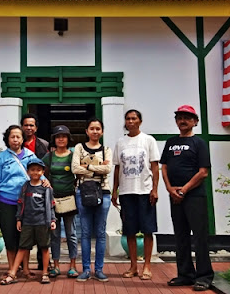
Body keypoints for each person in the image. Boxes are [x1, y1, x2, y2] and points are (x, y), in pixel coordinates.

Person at [160, 105, 213, 292]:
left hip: (194, 196)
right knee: (180, 236)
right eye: (179, 117)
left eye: (187, 118)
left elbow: (203, 172)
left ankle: (204, 276)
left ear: (195, 122)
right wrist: (169, 188)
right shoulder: (170, 142)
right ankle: (185, 274)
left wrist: (184, 190)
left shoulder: (199, 143)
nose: (183, 121)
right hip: (174, 196)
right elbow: (164, 167)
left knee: (199, 237)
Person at [0, 125, 45, 280]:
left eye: (18, 136)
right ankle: (11, 268)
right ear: (7, 139)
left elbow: (37, 172)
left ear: (23, 139)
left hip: (26, 202)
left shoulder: (30, 155)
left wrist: (45, 182)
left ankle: (26, 269)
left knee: (24, 237)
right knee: (9, 237)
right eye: (12, 136)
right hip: (5, 201)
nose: (15, 139)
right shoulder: (1, 157)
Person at [112, 109, 160, 281]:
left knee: (147, 229)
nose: (130, 121)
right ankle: (133, 266)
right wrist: (115, 190)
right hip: (126, 192)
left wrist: (155, 189)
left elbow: (155, 167)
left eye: (134, 118)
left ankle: (147, 265)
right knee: (130, 231)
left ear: (140, 121)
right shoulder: (120, 142)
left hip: (144, 191)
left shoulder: (148, 140)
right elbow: (117, 168)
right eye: (128, 119)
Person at [0, 157, 57, 285]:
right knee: (23, 247)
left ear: (43, 172)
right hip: (27, 223)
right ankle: (13, 273)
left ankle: (45, 273)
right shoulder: (25, 187)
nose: (35, 172)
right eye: (32, 170)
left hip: (43, 222)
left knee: (44, 248)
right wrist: (19, 219)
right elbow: (20, 204)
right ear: (28, 172)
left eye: (38, 170)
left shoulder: (46, 188)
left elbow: (51, 205)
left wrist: (52, 219)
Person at [71, 118, 113, 282]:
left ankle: (100, 269)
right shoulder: (79, 148)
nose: (95, 131)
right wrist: (97, 168)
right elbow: (75, 168)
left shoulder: (107, 149)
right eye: (92, 128)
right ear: (87, 131)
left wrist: (87, 166)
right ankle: (86, 269)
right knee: (86, 233)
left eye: (98, 129)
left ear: (102, 131)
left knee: (101, 233)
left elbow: (108, 169)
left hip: (103, 192)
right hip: (83, 192)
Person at [42, 125, 79, 279]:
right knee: (55, 234)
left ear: (68, 139)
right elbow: (37, 171)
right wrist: (44, 181)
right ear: (54, 140)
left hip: (69, 198)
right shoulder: (49, 157)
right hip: (53, 200)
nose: (61, 139)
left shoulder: (73, 156)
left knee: (71, 233)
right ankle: (56, 265)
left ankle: (72, 265)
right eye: (58, 136)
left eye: (64, 136)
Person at [20, 113, 50, 270]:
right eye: (26, 125)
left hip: (39, 187)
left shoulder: (43, 144)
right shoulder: (18, 142)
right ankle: (22, 266)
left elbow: (47, 165)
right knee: (25, 231)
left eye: (31, 125)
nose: (29, 128)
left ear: (36, 127)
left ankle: (42, 264)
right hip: (23, 189)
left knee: (41, 228)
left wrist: (45, 180)